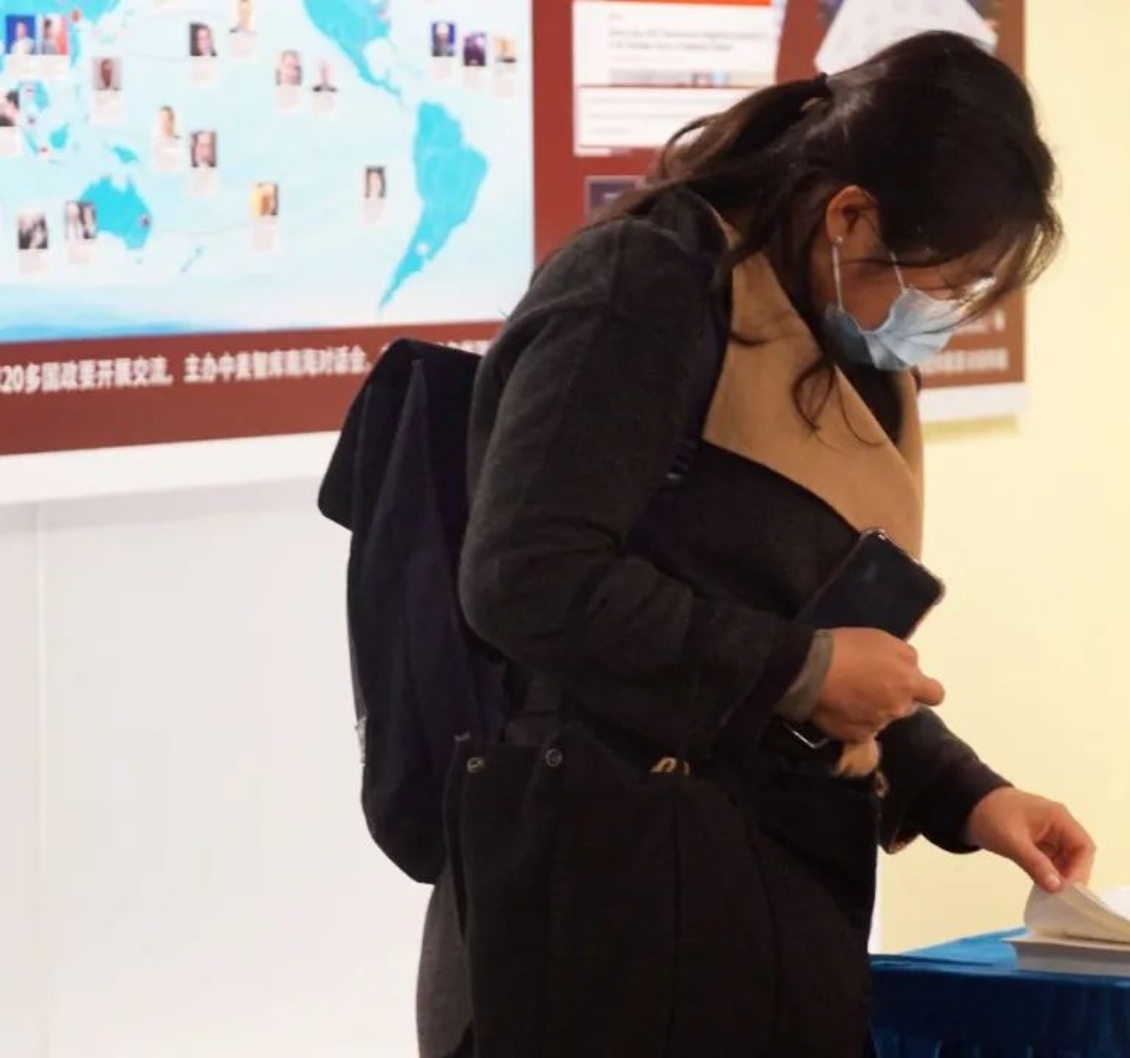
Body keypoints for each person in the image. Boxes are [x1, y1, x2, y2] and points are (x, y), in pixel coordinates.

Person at [419, 31, 1093, 1058]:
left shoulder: (833, 331)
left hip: (761, 876)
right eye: (944, 281)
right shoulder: (642, 285)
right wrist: (803, 667)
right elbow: (526, 577)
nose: (943, 317)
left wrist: (967, 794)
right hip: (607, 894)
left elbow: (802, 638)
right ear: (849, 215)